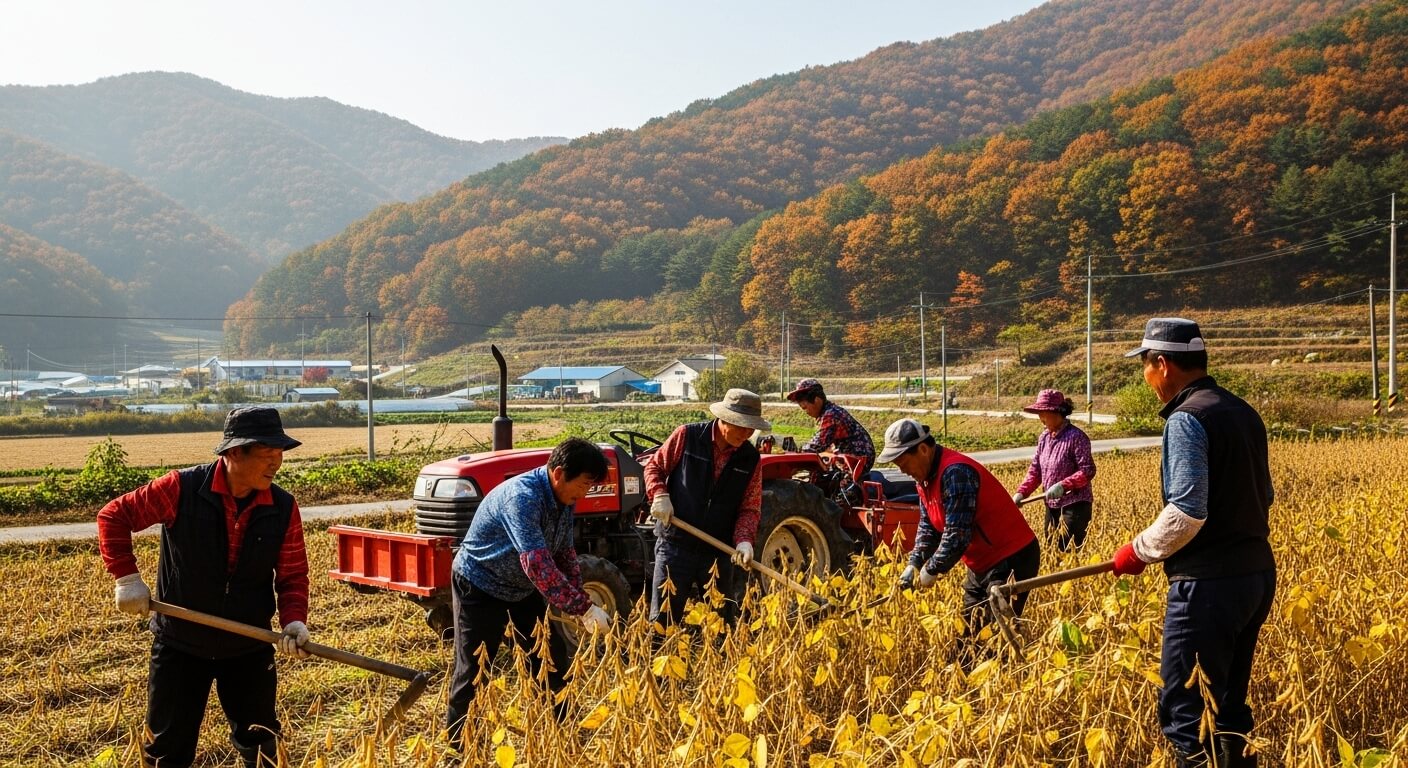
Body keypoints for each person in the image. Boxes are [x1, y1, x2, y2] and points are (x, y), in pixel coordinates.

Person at [97, 406, 310, 768]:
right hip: (181, 643)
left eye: (280, 455)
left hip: (249, 644)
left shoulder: (283, 506)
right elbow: (114, 516)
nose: (276, 464)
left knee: (262, 746)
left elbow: (292, 575)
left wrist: (294, 620)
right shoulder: (181, 488)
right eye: (267, 455)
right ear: (233, 453)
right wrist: (126, 577)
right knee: (168, 751)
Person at [1110, 318, 1275, 768]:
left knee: (1187, 713)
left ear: (1162, 364)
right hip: (1256, 576)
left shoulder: (1187, 418)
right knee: (1227, 706)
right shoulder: (1242, 411)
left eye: (1144, 367)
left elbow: (1186, 510)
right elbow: (1267, 495)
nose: (1145, 379)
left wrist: (1138, 551)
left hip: (1207, 585)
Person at [445, 437, 613, 745]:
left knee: (548, 655)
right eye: (584, 484)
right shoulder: (522, 498)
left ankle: (563, 730)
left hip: (521, 589)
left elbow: (564, 553)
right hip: (480, 585)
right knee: (475, 669)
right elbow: (537, 563)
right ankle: (458, 750)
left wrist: (579, 597)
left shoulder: (564, 500)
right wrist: (584, 608)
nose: (585, 493)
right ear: (559, 473)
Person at [881, 418, 1039, 654]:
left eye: (903, 463)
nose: (902, 470)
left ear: (923, 450)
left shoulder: (956, 473)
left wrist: (932, 569)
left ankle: (1007, 676)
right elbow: (929, 527)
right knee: (969, 630)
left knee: (993, 636)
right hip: (981, 563)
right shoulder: (923, 479)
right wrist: (913, 564)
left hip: (1011, 558)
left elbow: (957, 535)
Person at [644, 388, 770, 627]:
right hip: (675, 545)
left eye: (751, 428)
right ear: (724, 419)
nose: (746, 433)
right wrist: (660, 494)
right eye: (741, 426)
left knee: (720, 625)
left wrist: (744, 540)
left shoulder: (750, 459)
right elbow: (654, 467)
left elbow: (749, 507)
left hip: (717, 550)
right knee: (663, 621)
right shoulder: (687, 436)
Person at [1012, 389, 1097, 551]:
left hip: (1075, 505)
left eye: (1043, 413)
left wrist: (1064, 485)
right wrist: (1022, 492)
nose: (1040, 418)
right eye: (1039, 413)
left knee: (1068, 550)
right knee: (1051, 549)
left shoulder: (1077, 437)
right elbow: (1035, 470)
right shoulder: (1044, 438)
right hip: (1051, 504)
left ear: (1057, 412)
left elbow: (1088, 470)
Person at [785, 378, 876, 474]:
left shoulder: (831, 415)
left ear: (816, 400)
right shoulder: (828, 411)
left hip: (857, 460)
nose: (806, 412)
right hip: (847, 455)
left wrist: (796, 458)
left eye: (805, 408)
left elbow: (817, 445)